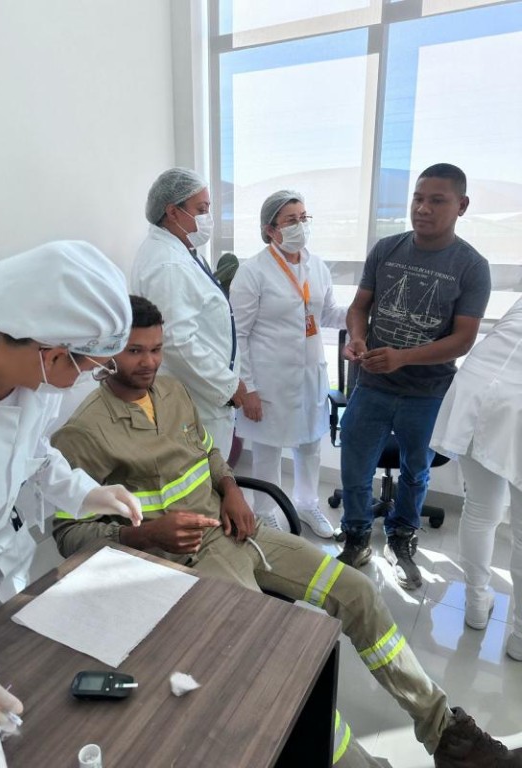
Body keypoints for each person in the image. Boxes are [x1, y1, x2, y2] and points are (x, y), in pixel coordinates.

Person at [50, 295, 521, 768]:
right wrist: (147, 535)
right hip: (185, 563)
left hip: (238, 531)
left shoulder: (172, 392)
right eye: (135, 351)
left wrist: (231, 487)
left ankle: (447, 735)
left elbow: (208, 453)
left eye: (156, 349)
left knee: (358, 593)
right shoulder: (85, 432)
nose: (150, 362)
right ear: (107, 351)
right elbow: (69, 535)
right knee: (275, 658)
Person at [0, 241, 142, 739]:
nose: (89, 379)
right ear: (53, 355)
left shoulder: (34, 376)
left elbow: (34, 453)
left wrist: (86, 492)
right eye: (91, 368)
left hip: (2, 591)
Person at [337, 163, 491, 590]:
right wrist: (358, 338)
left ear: (461, 205)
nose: (423, 208)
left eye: (437, 200)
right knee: (355, 465)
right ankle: (356, 537)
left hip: (428, 393)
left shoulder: (472, 266)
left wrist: (403, 358)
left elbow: (463, 339)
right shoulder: (387, 249)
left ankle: (401, 537)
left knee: (416, 471)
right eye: (418, 199)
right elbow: (358, 308)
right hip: (372, 385)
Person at [229, 190, 346, 537]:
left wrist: (363, 314)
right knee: (268, 450)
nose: (301, 225)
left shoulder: (317, 266)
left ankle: (307, 504)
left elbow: (328, 314)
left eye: (304, 218)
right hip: (269, 379)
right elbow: (238, 334)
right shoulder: (253, 271)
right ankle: (265, 512)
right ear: (270, 229)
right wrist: (247, 388)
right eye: (291, 220)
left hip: (310, 376)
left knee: (310, 445)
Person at [131, 167, 245, 458]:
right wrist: (227, 386)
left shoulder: (180, 251)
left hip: (201, 397)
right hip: (197, 400)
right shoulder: (168, 264)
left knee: (211, 475)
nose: (208, 218)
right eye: (201, 209)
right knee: (205, 477)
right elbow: (176, 341)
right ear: (172, 212)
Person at [430, 296, 522, 652]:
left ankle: (476, 605)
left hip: (477, 385)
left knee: (481, 510)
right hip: (509, 393)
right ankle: (520, 638)